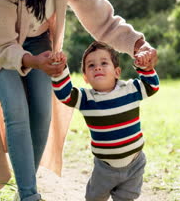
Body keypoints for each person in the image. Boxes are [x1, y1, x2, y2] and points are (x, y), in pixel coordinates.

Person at [0, 0, 158, 200]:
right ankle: (29, 195)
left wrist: (140, 44)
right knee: (15, 109)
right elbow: (3, 45)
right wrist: (34, 62)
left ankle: (25, 188)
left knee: (42, 111)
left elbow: (102, 19)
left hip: (38, 40)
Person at [50, 41, 159, 201]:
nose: (98, 67)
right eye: (91, 65)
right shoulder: (86, 98)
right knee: (95, 197)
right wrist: (60, 71)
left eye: (103, 63)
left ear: (117, 72)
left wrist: (145, 68)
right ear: (85, 77)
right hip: (105, 168)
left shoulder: (130, 89)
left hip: (134, 163)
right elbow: (65, 95)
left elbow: (152, 86)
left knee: (127, 197)